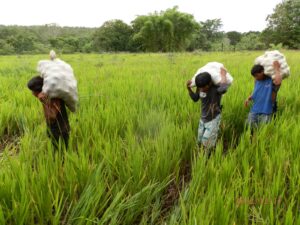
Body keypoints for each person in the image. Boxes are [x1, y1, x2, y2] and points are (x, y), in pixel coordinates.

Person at [186, 67, 229, 156]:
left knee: (207, 143)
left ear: (209, 84)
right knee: (200, 140)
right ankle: (203, 155)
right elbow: (195, 98)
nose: (201, 90)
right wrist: (189, 89)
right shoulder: (200, 88)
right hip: (203, 119)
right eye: (199, 88)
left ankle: (207, 159)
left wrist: (224, 75)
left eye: (203, 88)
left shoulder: (215, 89)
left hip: (213, 119)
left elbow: (224, 88)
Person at [27, 76, 70, 150]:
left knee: (60, 153)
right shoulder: (50, 96)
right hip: (56, 129)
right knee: (56, 151)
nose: (32, 93)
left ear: (39, 90)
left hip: (59, 131)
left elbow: (51, 117)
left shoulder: (53, 98)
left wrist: (44, 102)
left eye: (33, 91)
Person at [244, 61, 282, 129]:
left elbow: (278, 82)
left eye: (257, 75)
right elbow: (256, 90)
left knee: (264, 129)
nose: (255, 78)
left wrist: (276, 69)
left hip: (267, 110)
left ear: (262, 72)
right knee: (249, 125)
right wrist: (250, 98)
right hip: (255, 109)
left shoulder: (270, 80)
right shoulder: (257, 81)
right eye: (254, 76)